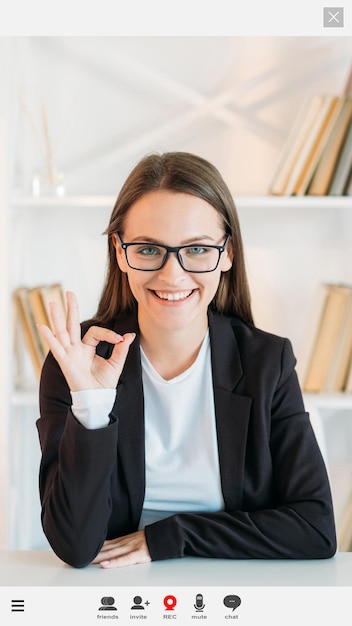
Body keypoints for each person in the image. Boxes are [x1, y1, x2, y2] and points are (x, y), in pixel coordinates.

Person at [36, 151, 337, 569]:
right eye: (148, 249)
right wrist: (92, 405)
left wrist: (172, 535)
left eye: (196, 249)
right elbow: (74, 546)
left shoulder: (266, 362)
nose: (172, 275)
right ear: (120, 253)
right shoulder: (77, 359)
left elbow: (316, 528)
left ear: (227, 253)